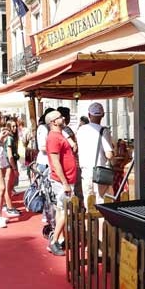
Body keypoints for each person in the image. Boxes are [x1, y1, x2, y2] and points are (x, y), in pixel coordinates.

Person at [45, 110, 78, 256]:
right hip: (63, 180)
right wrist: (65, 183)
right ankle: (54, 241)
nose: (63, 118)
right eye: (60, 117)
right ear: (53, 122)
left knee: (61, 211)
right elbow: (55, 162)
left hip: (67, 179)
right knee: (66, 211)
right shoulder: (53, 137)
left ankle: (59, 239)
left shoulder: (60, 135)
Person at [76, 102, 114, 209]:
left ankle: (89, 220)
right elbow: (109, 154)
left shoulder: (81, 130)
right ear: (103, 115)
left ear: (89, 115)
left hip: (85, 171)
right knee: (102, 202)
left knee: (89, 201)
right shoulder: (104, 131)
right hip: (100, 171)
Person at [3, 119, 21, 205]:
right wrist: (14, 168)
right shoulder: (10, 138)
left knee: (9, 186)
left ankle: (9, 205)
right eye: (13, 126)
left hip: (10, 163)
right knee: (9, 186)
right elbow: (9, 154)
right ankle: (9, 206)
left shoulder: (11, 137)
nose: (15, 128)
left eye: (16, 126)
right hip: (9, 164)